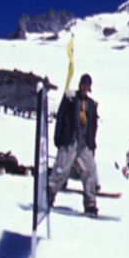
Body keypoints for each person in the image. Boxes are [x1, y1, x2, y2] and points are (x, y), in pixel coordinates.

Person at [48, 72, 100, 216]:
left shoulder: (91, 104)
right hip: (69, 141)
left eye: (87, 86)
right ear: (80, 85)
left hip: (84, 145)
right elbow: (61, 116)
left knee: (89, 172)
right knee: (61, 169)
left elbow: (93, 126)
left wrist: (92, 144)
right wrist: (58, 136)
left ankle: (90, 204)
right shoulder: (70, 99)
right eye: (83, 85)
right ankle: (49, 195)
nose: (85, 88)